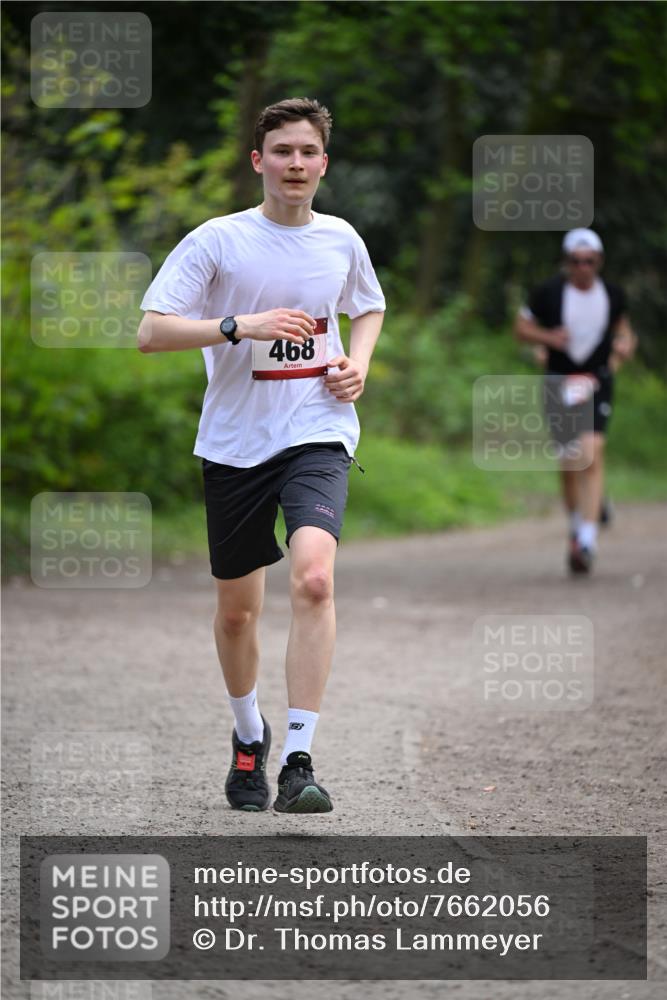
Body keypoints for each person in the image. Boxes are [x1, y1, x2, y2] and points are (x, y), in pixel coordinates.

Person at [137, 97, 385, 812]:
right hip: (236, 444)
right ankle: (249, 737)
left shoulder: (340, 239)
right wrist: (237, 325)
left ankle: (299, 760)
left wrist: (356, 364)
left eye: (308, 152)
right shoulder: (218, 240)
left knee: (313, 579)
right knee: (239, 613)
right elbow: (151, 332)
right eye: (282, 151)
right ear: (259, 161)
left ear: (324, 164)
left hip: (318, 429)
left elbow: (366, 306)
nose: (296, 164)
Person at [515, 228, 636, 574]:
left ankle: (587, 538)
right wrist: (547, 337)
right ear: (567, 262)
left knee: (593, 453)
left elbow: (624, 329)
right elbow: (521, 329)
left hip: (597, 380)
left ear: (599, 262)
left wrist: (625, 344)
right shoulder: (548, 293)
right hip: (560, 381)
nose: (583, 267)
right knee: (571, 461)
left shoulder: (613, 294)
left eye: (590, 261)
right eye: (576, 261)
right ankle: (577, 522)